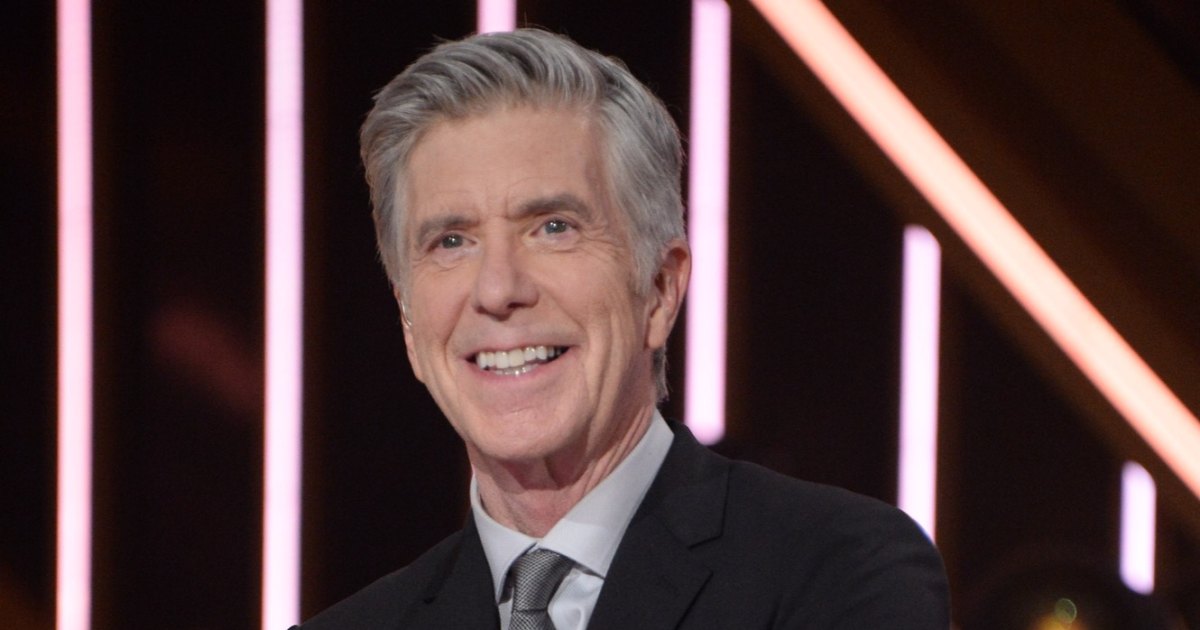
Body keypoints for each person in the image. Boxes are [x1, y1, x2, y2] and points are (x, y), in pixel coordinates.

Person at [297, 28, 949, 629]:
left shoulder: (839, 572)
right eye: (451, 241)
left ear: (660, 289)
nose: (497, 290)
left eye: (553, 228)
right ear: (410, 325)